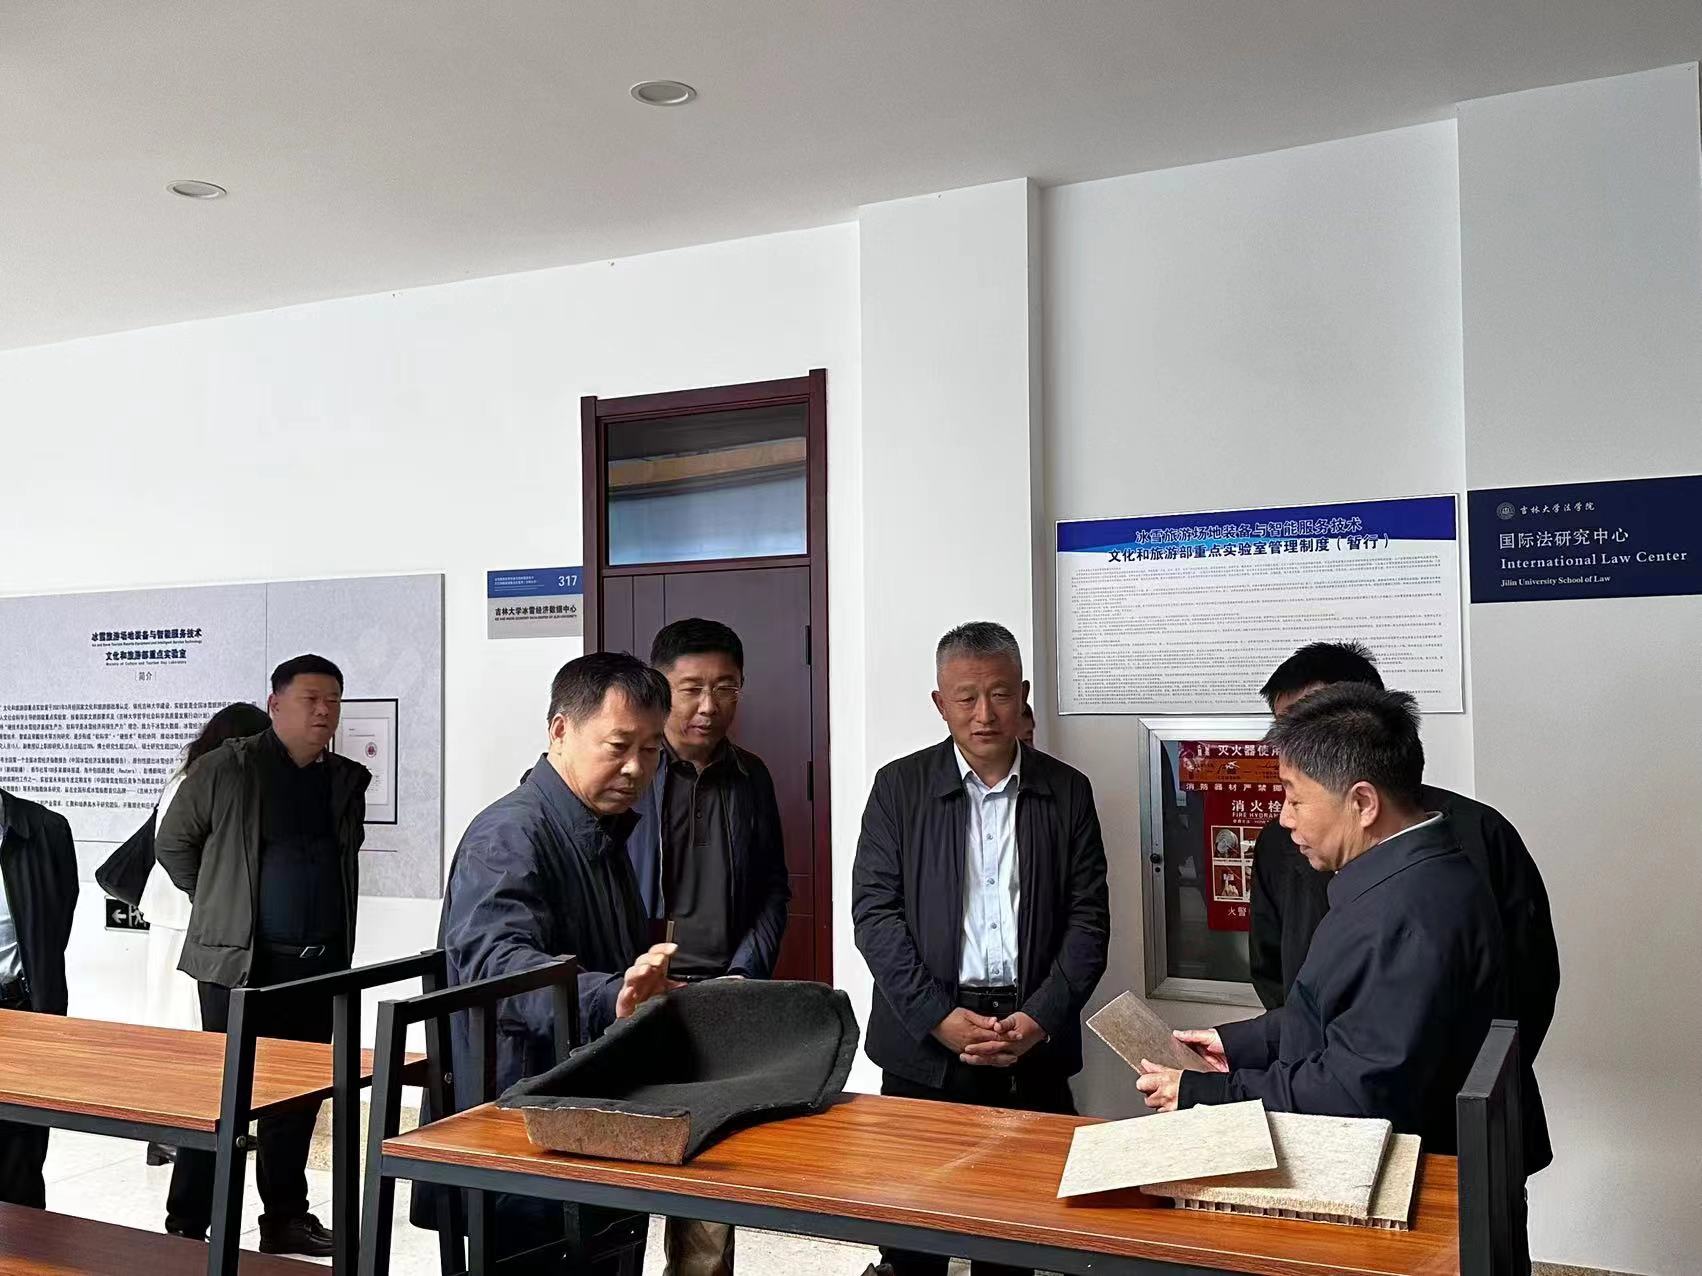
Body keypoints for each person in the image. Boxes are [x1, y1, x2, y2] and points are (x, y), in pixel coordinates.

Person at [1135, 686, 1504, 1160]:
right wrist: (1239, 1044)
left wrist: (1203, 1094)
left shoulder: (1404, 916)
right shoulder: (1406, 877)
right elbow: (1349, 1018)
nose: (1284, 818)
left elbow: (1353, 1094)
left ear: (1363, 803)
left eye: (1295, 798)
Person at [853, 621, 1108, 1276]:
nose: (984, 714)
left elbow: (1088, 923)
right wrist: (936, 1016)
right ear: (940, 703)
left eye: (999, 694)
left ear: (1023, 695)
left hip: (1030, 1040)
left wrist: (1041, 1018)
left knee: (1015, 1237)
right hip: (923, 1046)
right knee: (912, 1238)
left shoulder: (1067, 791)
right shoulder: (898, 787)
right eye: (965, 698)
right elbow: (875, 917)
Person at [1246, 641, 1557, 1180]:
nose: (1288, 815)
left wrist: (1461, 1078)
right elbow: (1273, 968)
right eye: (1287, 725)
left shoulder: (1475, 835)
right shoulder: (1282, 841)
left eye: (1316, 721)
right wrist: (1299, 1052)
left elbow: (1528, 985)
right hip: (1330, 1113)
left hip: (1442, 1131)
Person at [440, 651, 681, 1271]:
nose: (636, 768)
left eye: (651, 750)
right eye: (618, 746)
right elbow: (495, 966)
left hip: (587, 1101)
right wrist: (609, 997)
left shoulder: (599, 825)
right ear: (560, 730)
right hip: (524, 1117)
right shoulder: (509, 834)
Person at [155, 655, 367, 1257]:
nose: (323, 711)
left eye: (333, 701)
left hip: (317, 966)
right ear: (275, 704)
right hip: (240, 968)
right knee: (221, 1096)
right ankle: (188, 1222)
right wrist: (220, 904)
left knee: (297, 1097)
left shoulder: (341, 779)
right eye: (310, 699)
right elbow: (172, 844)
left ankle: (285, 1218)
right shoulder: (229, 768)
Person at [626, 619, 789, 1276]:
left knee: (711, 1181)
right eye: (691, 688)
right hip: (631, 995)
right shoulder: (629, 771)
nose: (708, 705)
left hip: (720, 996)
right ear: (659, 687)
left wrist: (745, 972)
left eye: (725, 687)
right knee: (618, 1167)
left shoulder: (751, 777)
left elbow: (773, 887)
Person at [0, 787, 77, 1208]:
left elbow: (56, 921)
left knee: (22, 1150)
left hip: (23, 1007)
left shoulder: (45, 829)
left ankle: (22, 1241)